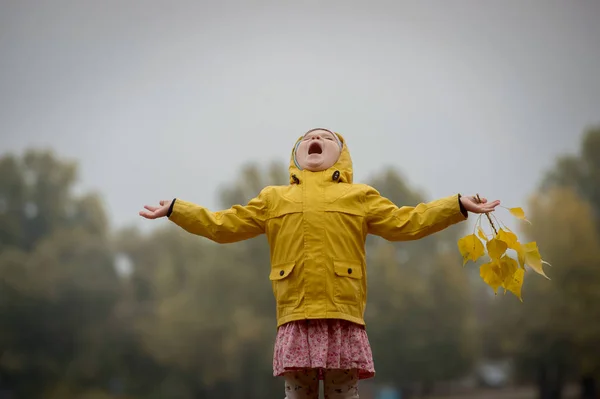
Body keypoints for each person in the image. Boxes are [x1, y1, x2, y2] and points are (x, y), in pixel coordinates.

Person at [139, 128, 500, 399]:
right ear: (296, 155)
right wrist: (176, 209)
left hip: (342, 315)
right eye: (309, 137)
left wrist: (457, 205)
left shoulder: (360, 196)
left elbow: (409, 222)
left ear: (341, 154)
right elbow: (221, 226)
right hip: (296, 316)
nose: (316, 139)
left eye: (325, 137)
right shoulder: (273, 198)